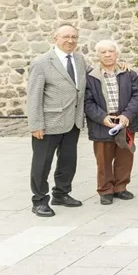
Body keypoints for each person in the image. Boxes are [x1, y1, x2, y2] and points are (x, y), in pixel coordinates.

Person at [27, 24, 87, 217]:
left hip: (73, 121)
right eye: (66, 36)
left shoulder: (79, 59)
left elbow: (93, 75)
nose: (70, 40)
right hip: (48, 123)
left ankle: (61, 194)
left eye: (74, 37)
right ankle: (39, 201)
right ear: (55, 38)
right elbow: (34, 96)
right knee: (42, 164)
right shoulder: (42, 62)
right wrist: (36, 124)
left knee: (68, 162)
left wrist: (118, 66)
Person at [84, 40, 138, 205]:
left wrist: (127, 114)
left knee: (125, 157)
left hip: (125, 122)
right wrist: (102, 117)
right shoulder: (90, 77)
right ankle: (105, 190)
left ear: (117, 54)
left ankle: (120, 187)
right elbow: (87, 102)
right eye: (103, 52)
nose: (108, 55)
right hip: (102, 123)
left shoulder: (129, 74)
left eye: (111, 51)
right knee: (103, 160)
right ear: (98, 55)